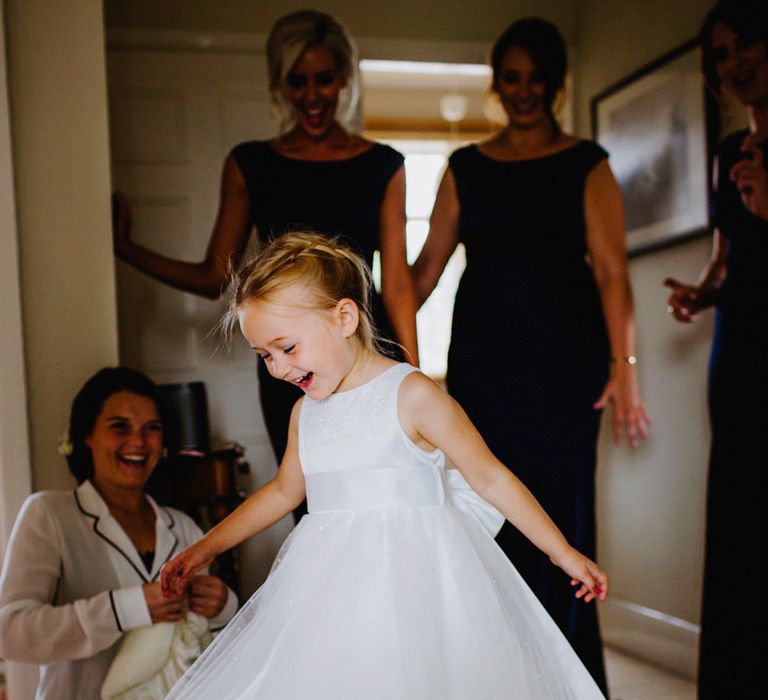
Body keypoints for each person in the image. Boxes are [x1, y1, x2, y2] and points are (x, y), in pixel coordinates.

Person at [157, 231, 608, 699]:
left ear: (344, 317)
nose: (277, 368)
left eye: (287, 348)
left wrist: (562, 553)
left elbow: (491, 477)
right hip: (332, 587)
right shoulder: (305, 413)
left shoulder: (412, 395)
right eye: (265, 356)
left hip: (421, 583)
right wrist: (206, 547)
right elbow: (283, 492)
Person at [410, 17, 650, 693]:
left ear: (555, 84)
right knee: (486, 516)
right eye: (511, 79)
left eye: (536, 79)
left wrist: (625, 371)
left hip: (565, 371)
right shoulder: (465, 169)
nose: (523, 92)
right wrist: (364, 338)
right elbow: (425, 269)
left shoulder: (588, 164)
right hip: (484, 368)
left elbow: (612, 273)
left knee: (562, 519)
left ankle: (567, 678)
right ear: (496, 83)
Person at [112, 10, 418, 491]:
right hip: (291, 359)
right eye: (297, 81)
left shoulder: (384, 165)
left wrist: (410, 373)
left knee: (386, 489)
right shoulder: (250, 163)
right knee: (309, 494)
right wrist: (125, 249)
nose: (312, 96)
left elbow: (397, 281)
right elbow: (218, 276)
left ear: (344, 79)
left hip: (367, 349)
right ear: (279, 83)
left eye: (324, 79)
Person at [0, 367, 238, 700]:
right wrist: (124, 609)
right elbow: (11, 635)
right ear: (87, 434)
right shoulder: (50, 514)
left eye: (151, 429)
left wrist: (223, 609)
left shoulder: (184, 528)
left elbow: (205, 651)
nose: (138, 442)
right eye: (119, 427)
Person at [664, 3, 768, 697]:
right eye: (720, 53)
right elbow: (725, 256)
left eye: (744, 43)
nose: (733, 62)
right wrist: (701, 292)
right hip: (740, 347)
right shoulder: (731, 151)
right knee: (740, 509)